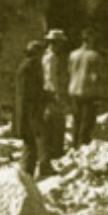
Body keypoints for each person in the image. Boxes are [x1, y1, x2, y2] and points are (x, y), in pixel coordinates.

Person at [13, 39, 50, 178]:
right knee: (30, 145)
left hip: (32, 112)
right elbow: (25, 95)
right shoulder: (27, 68)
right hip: (27, 113)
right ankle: (25, 176)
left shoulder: (31, 67)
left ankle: (27, 175)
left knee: (32, 145)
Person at [40, 29, 71, 170]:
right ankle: (54, 153)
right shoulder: (51, 57)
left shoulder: (47, 55)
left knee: (54, 122)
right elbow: (50, 78)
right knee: (57, 121)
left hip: (48, 93)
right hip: (50, 94)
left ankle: (52, 152)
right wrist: (57, 95)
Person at [68, 32, 104, 149]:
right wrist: (100, 92)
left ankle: (74, 143)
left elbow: (69, 71)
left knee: (76, 118)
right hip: (88, 91)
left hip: (74, 89)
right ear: (90, 40)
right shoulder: (94, 56)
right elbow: (95, 76)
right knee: (87, 119)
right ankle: (83, 143)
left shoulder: (73, 54)